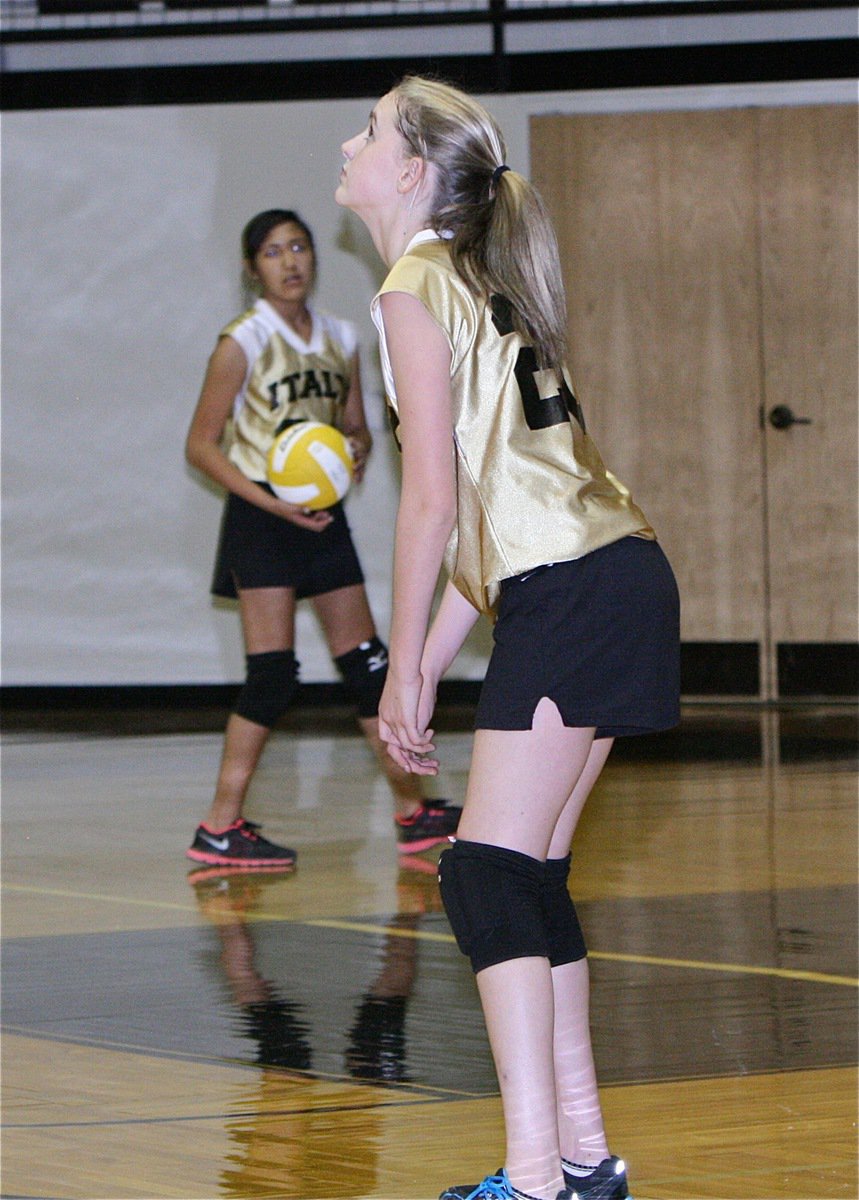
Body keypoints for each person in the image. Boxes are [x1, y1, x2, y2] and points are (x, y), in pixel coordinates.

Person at [336, 79, 680, 1200]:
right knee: (524, 877)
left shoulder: (410, 287)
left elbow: (430, 506)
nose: (349, 142)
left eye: (370, 130)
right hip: (613, 574)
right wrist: (429, 661)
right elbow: (500, 516)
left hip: (572, 591)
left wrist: (389, 660)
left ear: (409, 173)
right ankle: (578, 1160)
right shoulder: (482, 279)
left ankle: (537, 1177)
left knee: (484, 879)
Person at [185, 209, 461, 870]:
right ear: (253, 268)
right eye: (274, 252)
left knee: (367, 661)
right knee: (273, 676)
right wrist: (271, 502)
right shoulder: (242, 341)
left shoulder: (341, 336)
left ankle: (413, 811)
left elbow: (354, 426)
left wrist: (356, 452)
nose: (290, 261)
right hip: (261, 518)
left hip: (322, 517)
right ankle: (219, 827)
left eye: (299, 247)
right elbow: (200, 445)